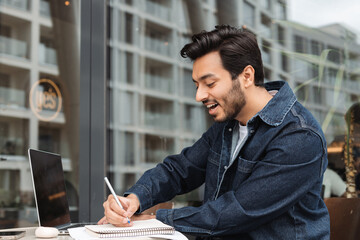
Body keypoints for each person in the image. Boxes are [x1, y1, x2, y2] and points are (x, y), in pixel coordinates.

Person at [99, 25, 330, 239]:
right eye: (196, 85)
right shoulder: (228, 124)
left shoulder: (299, 136)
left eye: (209, 84)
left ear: (246, 76)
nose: (199, 96)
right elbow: (180, 169)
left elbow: (238, 210)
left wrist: (153, 221)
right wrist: (133, 200)